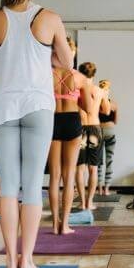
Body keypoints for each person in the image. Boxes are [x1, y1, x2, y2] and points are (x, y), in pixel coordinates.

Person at [0, 0, 73, 268]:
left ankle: (9, 262)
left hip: (4, 106)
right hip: (38, 107)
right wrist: (44, 57)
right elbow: (67, 62)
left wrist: (5, 55)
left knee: (8, 186)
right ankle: (26, 261)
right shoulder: (50, 18)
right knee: (31, 187)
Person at [49, 54, 92, 234]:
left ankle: (54, 224)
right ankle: (65, 225)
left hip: (52, 120)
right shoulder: (80, 78)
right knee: (69, 176)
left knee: (54, 176)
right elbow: (89, 108)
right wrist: (76, 98)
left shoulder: (46, 75)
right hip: (72, 120)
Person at [75, 62, 109, 210]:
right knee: (93, 169)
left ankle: (82, 203)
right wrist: (103, 97)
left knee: (80, 168)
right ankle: (89, 202)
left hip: (80, 128)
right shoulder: (99, 91)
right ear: (94, 74)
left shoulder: (77, 90)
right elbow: (107, 111)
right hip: (95, 128)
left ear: (80, 73)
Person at [97, 79, 118, 196]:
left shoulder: (96, 104)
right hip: (110, 132)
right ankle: (106, 189)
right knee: (109, 161)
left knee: (99, 162)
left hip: (99, 132)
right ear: (108, 90)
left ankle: (100, 189)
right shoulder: (113, 104)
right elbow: (116, 121)